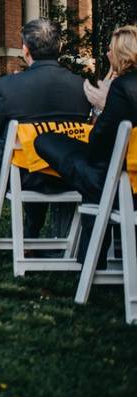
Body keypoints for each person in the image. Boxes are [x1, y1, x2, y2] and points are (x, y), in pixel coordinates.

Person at [0, 18, 90, 258]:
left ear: (25, 49)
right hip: (66, 176)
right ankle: (30, 238)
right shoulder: (81, 85)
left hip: (20, 175)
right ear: (59, 48)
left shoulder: (9, 86)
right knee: (33, 161)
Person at [34, 25, 137, 258]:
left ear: (120, 54)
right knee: (91, 180)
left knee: (46, 141)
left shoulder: (123, 87)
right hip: (121, 179)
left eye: (111, 50)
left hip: (118, 185)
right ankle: (90, 260)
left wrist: (102, 107)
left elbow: (98, 144)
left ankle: (89, 261)